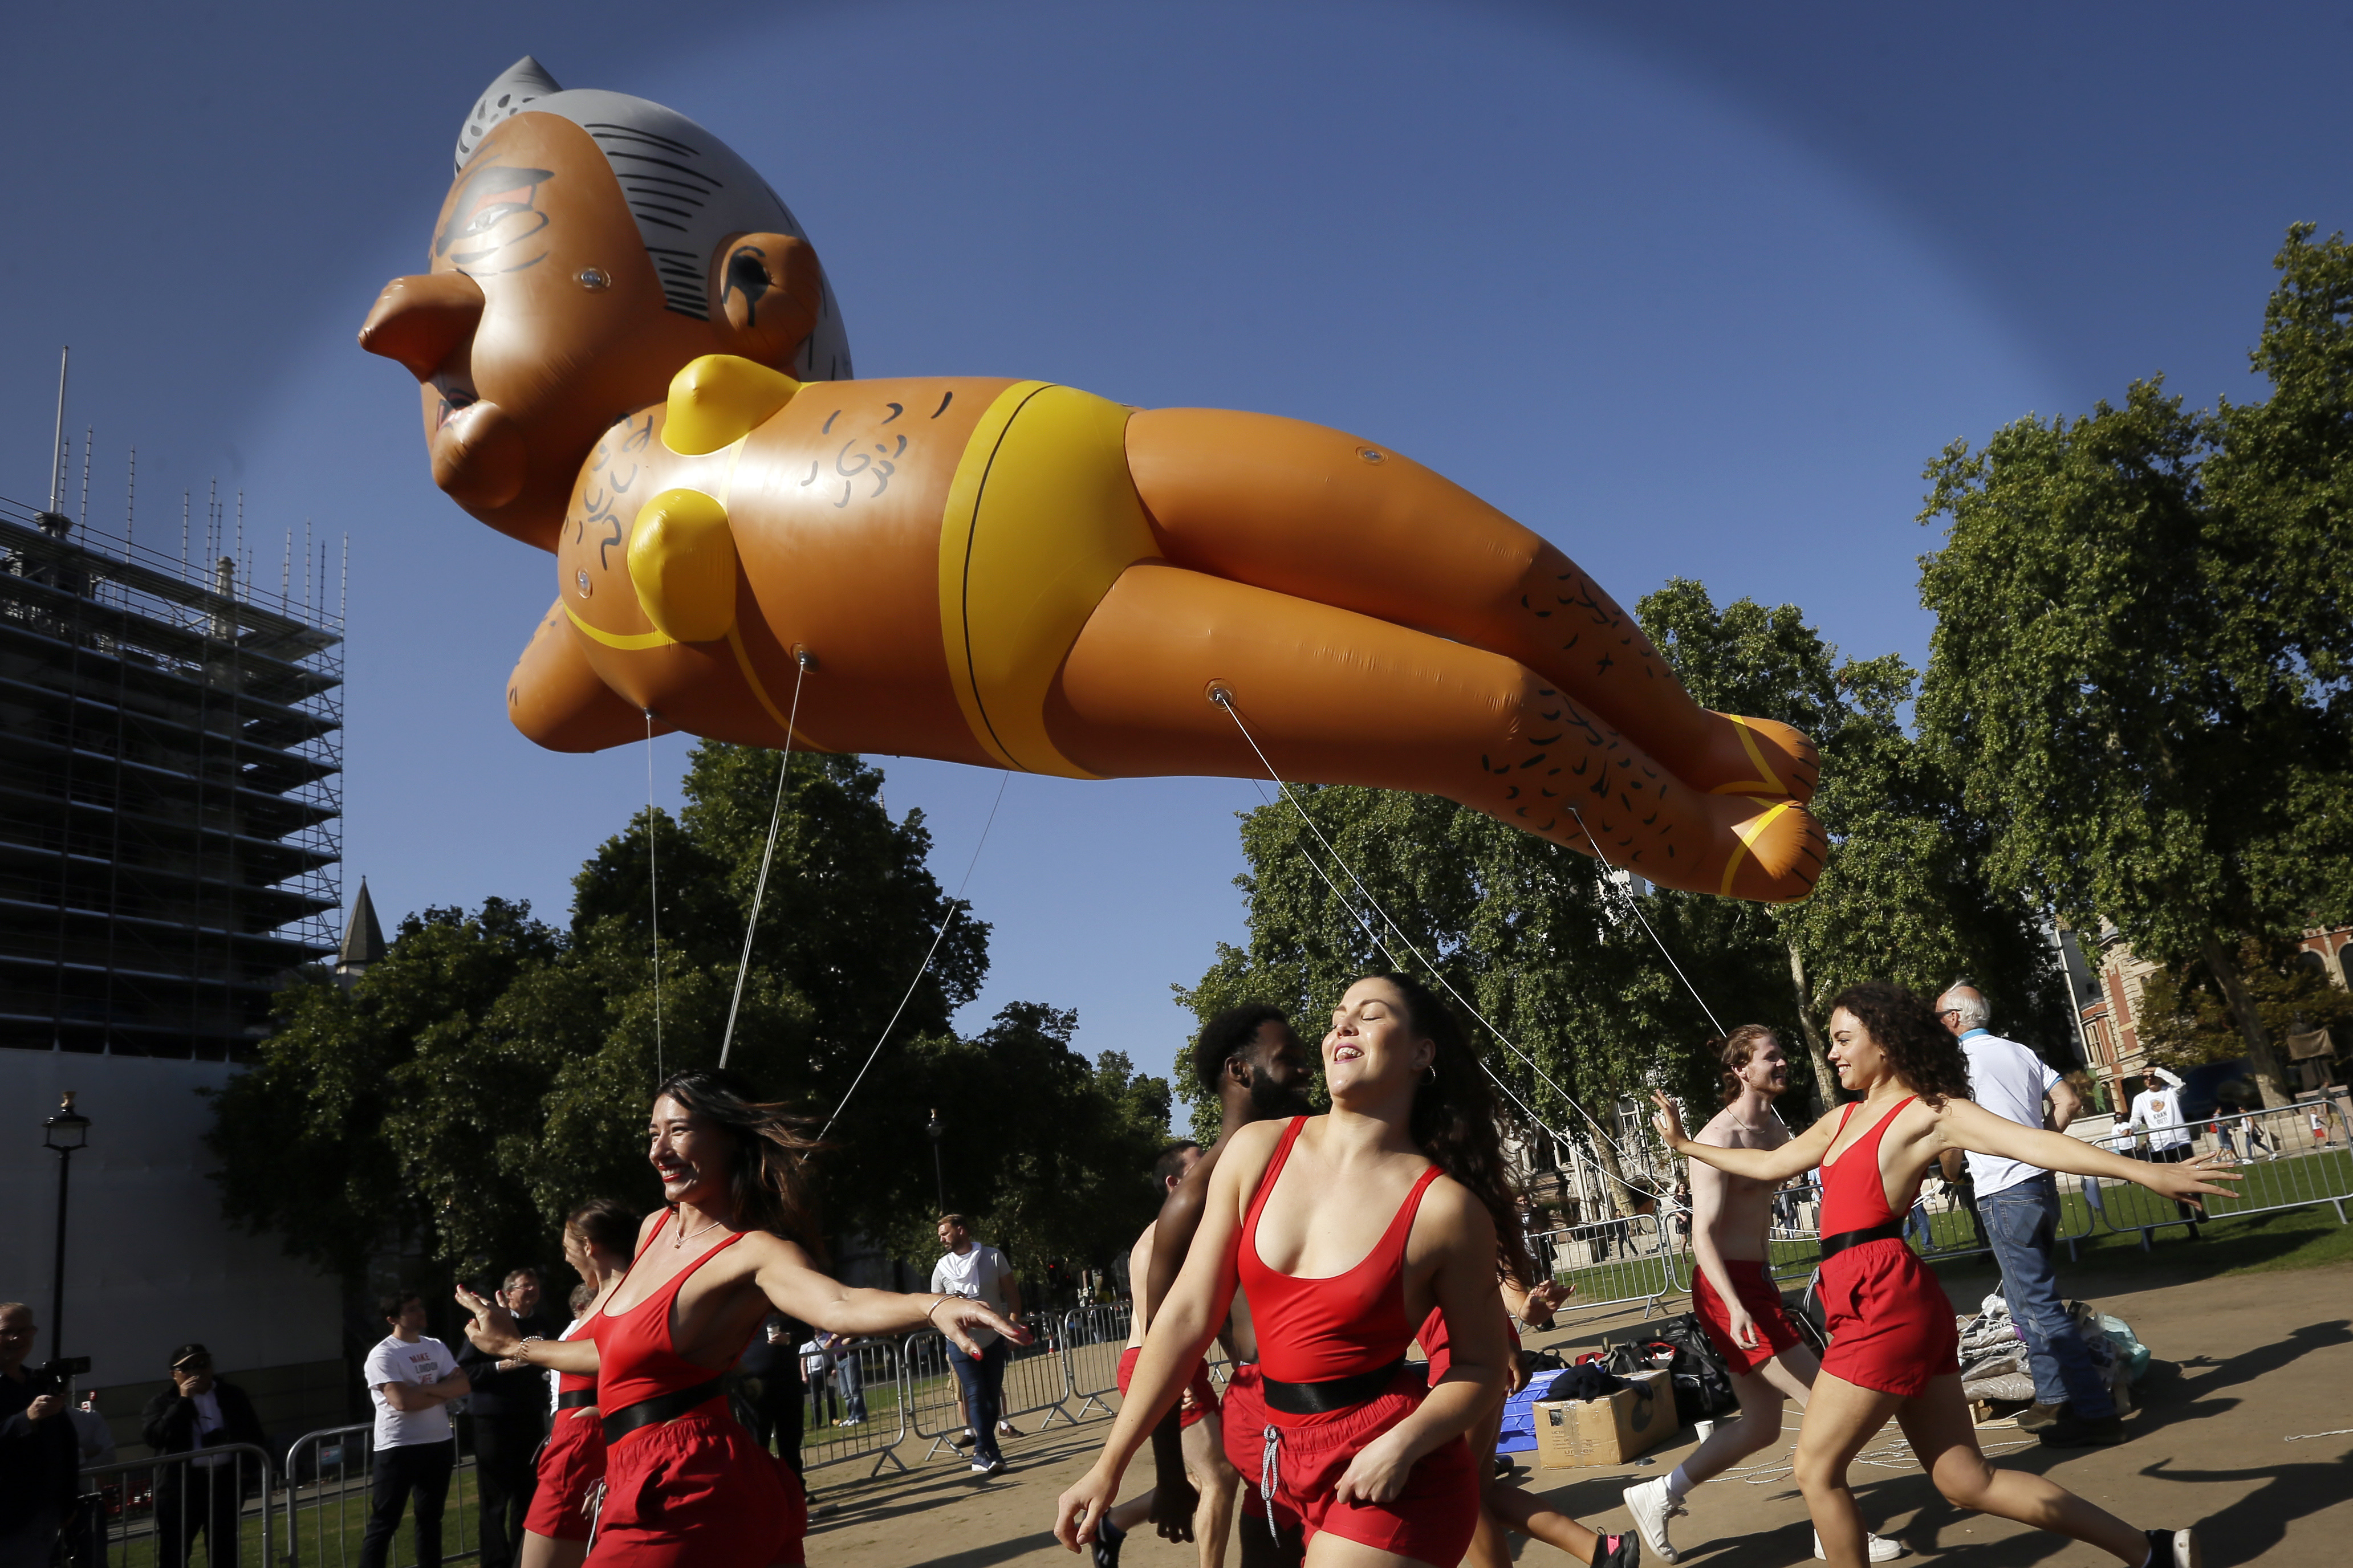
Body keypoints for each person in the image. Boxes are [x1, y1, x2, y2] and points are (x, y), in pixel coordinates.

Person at [365, 63, 1828, 909]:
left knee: (1492, 573)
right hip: (1043, 649)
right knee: (1477, 711)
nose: (410, 330)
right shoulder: (584, 611)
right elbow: (545, 709)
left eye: (500, 276)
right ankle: (1707, 850)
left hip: (1085, 447)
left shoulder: (741, 387)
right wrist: (627, 611)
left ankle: (1693, 733)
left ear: (751, 283)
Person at [1651, 983, 2239, 1568]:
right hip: (1884, 1299)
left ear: (1883, 1042)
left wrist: (2145, 1172)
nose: (1830, 1054)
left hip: (1883, 1298)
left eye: (1841, 1039)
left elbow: (2033, 1144)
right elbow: (1768, 1163)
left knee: (1813, 1468)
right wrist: (1684, 1145)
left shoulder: (1931, 1112)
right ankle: (2150, 1551)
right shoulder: (1841, 1119)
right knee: (1964, 1480)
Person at [457, 1066, 1025, 1568]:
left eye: (678, 1130)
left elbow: (838, 1303)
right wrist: (513, 1347)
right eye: (653, 1133)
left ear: (729, 1138)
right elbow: (614, 1354)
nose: (658, 1151)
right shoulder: (654, 1226)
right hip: (643, 1475)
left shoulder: (752, 1251)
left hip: (690, 1484)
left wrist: (933, 1304)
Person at [1056, 974, 1526, 1568]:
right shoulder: (1254, 1152)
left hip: (1392, 1471)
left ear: (1421, 1052)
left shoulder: (1445, 1209)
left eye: (1371, 1014)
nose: (1342, 1026)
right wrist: (1108, 1465)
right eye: (1337, 1016)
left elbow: (1481, 1367)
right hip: (1273, 1453)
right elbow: (1182, 1319)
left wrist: (1404, 1444)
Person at [1623, 1025, 1904, 1564]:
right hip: (1726, 1287)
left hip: (1756, 1281)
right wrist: (1732, 1305)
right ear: (1740, 1071)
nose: (1781, 1063)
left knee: (1761, 1424)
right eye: (1770, 1057)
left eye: (1780, 1054)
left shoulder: (1773, 1125)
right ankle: (1835, 1530)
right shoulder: (1718, 1138)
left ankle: (1658, 1491)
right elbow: (1701, 1233)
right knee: (1827, 1404)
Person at [1133, 1003, 1316, 1567]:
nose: (1306, 1072)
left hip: (1360, 1404)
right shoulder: (1195, 1201)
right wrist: (1169, 1477)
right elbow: (1165, 1348)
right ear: (1239, 1071)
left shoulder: (1323, 1154)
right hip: (1275, 1418)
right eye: (1288, 1060)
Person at [1933, 984, 2119, 1447]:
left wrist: (1953, 1173)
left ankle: (2094, 1411)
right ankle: (2053, 1396)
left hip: (2002, 1191)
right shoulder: (2019, 1050)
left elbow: (1952, 1135)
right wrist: (2040, 1145)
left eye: (1937, 1015)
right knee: (2023, 1302)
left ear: (1955, 1018)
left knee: (2038, 1305)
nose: (1934, 1024)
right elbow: (2069, 1101)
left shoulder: (1956, 1064)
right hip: (2039, 1185)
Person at [1093, 1141, 1240, 1568]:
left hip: (1178, 1364)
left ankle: (1114, 1522)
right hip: (1156, 1363)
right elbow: (1159, 1325)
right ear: (1175, 1182)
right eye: (1201, 1166)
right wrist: (1174, 1382)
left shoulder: (1197, 1227)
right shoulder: (1164, 1235)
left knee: (1213, 1471)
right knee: (1220, 1476)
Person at [522, 1200, 639, 1568]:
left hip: (584, 1444)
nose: (567, 1258)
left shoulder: (622, 1298)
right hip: (578, 1441)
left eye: (567, 1248)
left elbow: (634, 1366)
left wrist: (514, 1345)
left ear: (588, 1245)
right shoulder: (609, 1297)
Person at [457, 1266, 558, 1568]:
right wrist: (502, 1367)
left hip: (529, 1418)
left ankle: (521, 1558)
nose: (532, 1291)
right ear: (509, 1293)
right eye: (525, 1286)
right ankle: (494, 1561)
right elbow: (467, 1371)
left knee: (528, 1496)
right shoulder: (489, 1322)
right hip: (494, 1421)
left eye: (535, 1285)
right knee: (495, 1499)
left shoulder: (542, 1325)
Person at [359, 1293, 469, 1568]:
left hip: (438, 1442)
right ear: (393, 1319)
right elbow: (403, 1402)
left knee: (431, 1519)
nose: (420, 1312)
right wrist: (443, 1392)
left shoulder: (435, 1346)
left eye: (420, 1306)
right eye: (411, 1310)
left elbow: (463, 1386)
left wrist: (423, 1391)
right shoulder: (383, 1354)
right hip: (399, 1447)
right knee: (385, 1523)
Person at [142, 1343, 268, 1568]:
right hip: (180, 1488)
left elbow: (255, 1435)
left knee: (225, 1550)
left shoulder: (233, 1395)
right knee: (175, 1552)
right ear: (174, 1375)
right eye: (188, 1368)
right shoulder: (162, 1403)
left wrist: (247, 1472)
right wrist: (183, 1402)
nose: (197, 1371)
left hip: (225, 1483)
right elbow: (155, 1438)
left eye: (203, 1364)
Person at [931, 1214, 1025, 1476]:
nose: (941, 1239)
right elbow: (936, 1309)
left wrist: (1012, 1329)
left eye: (945, 1233)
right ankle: (986, 1451)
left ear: (961, 1230)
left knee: (992, 1396)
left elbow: (1013, 1296)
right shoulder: (942, 1267)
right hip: (960, 1344)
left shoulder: (993, 1257)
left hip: (994, 1339)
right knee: (976, 1393)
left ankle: (984, 1451)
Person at [0, 1302, 77, 1568]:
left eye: (24, 1330)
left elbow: (65, 1442)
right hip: (7, 1520)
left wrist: (68, 1502)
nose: (16, 1338)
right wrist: (26, 1419)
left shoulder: (39, 1381)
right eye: (6, 1331)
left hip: (46, 1512)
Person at [2126, 1070, 2201, 1237]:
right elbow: (2136, 1118)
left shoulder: (2170, 1092)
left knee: (2194, 1176)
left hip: (2180, 1141)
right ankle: (2191, 1227)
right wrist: (2132, 1128)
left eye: (2152, 1076)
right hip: (2160, 1147)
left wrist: (2158, 1070)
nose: (2150, 1079)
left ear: (2159, 1077)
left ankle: (2199, 1207)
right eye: (2146, 1077)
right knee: (2174, 1187)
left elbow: (2180, 1084)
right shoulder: (2140, 1099)